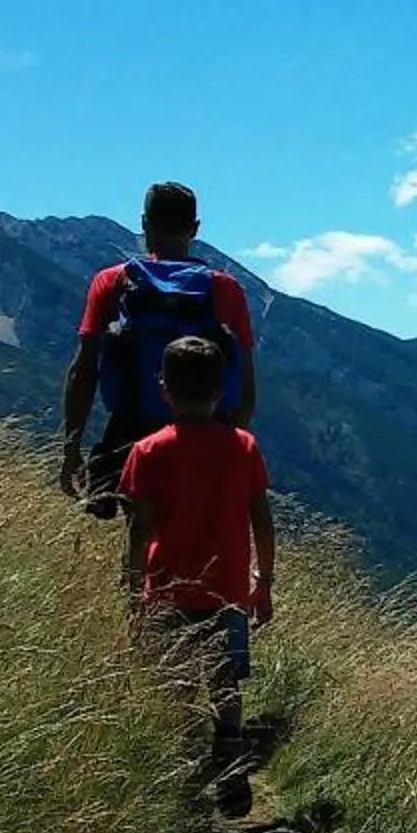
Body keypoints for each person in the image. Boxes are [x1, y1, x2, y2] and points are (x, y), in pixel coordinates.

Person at [59, 181, 259, 559]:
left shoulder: (113, 282)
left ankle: (139, 610)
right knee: (197, 539)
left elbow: (82, 371)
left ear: (143, 223)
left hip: (129, 428)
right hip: (207, 429)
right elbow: (245, 383)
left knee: (140, 535)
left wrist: (72, 448)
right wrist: (234, 445)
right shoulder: (225, 290)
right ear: (195, 228)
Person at [119, 335, 276, 816]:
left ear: (164, 388)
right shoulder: (243, 447)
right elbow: (261, 519)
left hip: (167, 590)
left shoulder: (147, 451)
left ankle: (185, 789)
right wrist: (263, 583)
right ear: (221, 389)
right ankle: (230, 763)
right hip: (228, 592)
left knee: (177, 686)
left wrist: (132, 593)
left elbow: (139, 530)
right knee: (225, 682)